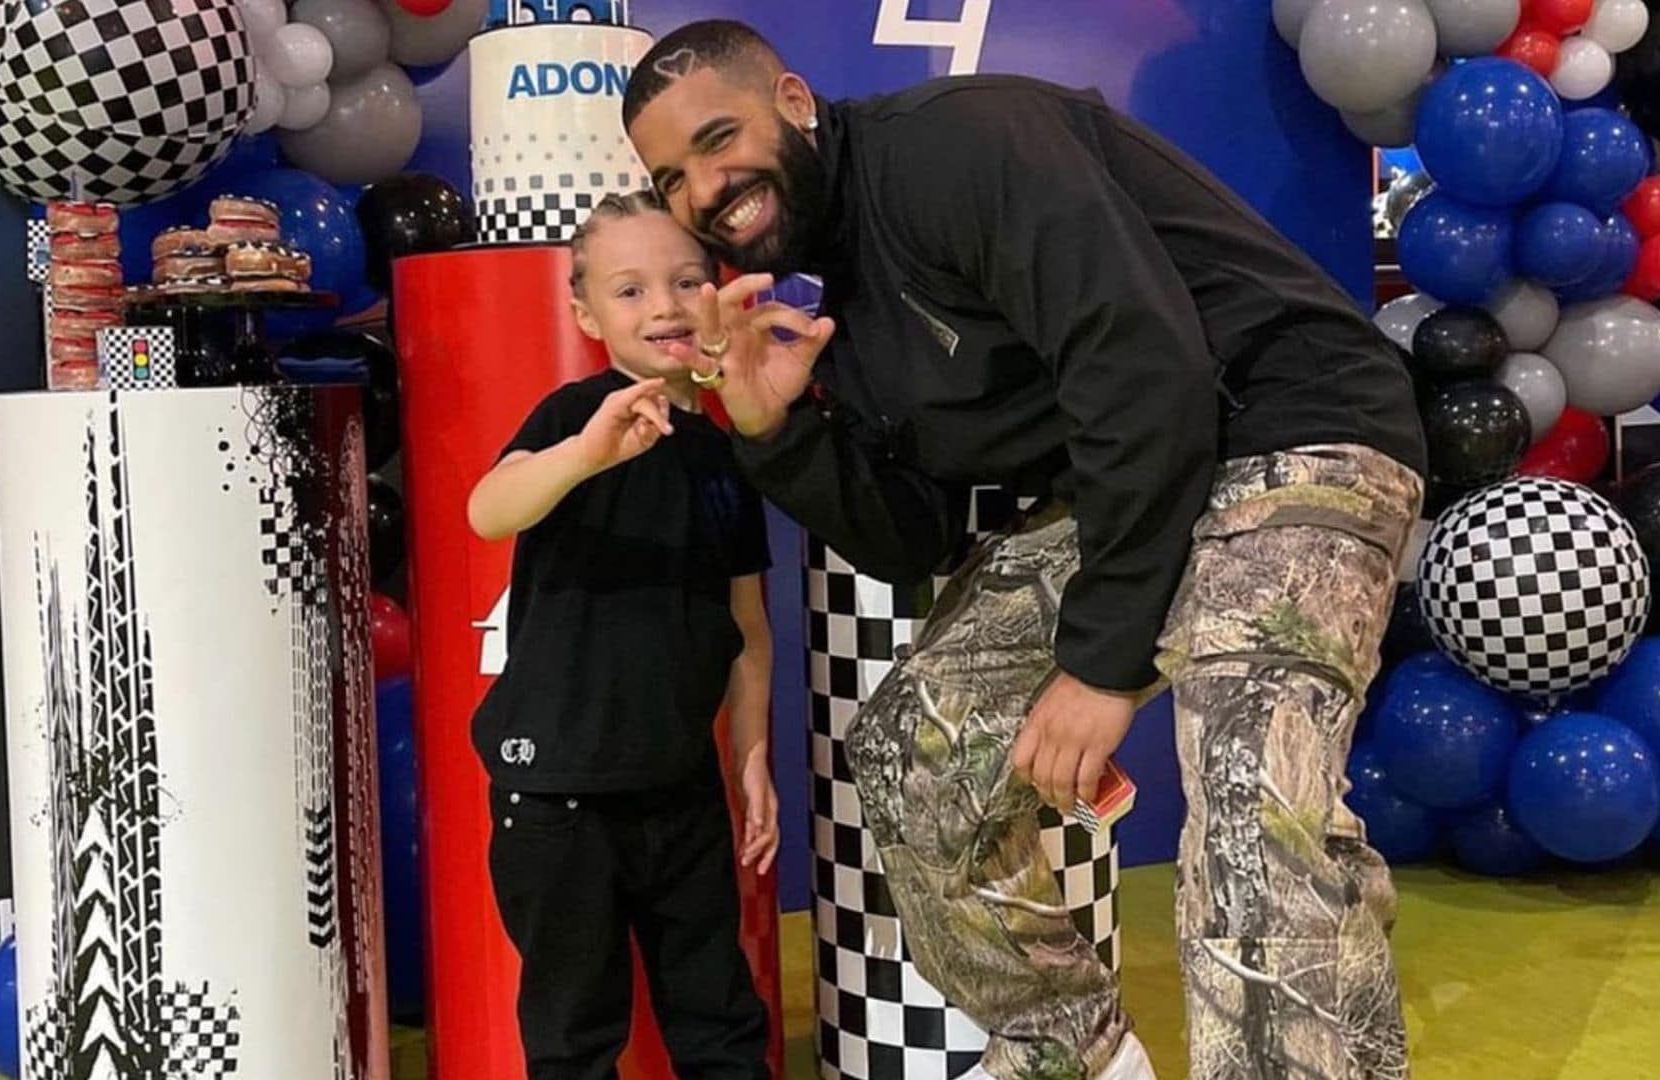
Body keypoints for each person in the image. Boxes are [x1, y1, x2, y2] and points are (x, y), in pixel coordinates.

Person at [621, 20, 1427, 1080]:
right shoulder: (837, 304)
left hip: (1296, 425)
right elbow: (913, 536)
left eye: (720, 138)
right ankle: (1072, 1055)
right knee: (915, 750)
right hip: (1127, 478)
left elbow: (1141, 365)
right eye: (671, 178)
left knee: (1249, 788)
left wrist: (1101, 662)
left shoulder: (960, 143)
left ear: (794, 99)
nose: (705, 190)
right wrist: (779, 432)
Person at [466, 191, 778, 1080]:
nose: (667, 308)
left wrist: (748, 756)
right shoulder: (574, 417)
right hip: (554, 798)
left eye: (686, 281)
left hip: (680, 792)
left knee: (721, 1023)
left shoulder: (726, 451)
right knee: (573, 1038)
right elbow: (488, 509)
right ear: (586, 312)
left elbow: (745, 626)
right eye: (631, 290)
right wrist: (587, 456)